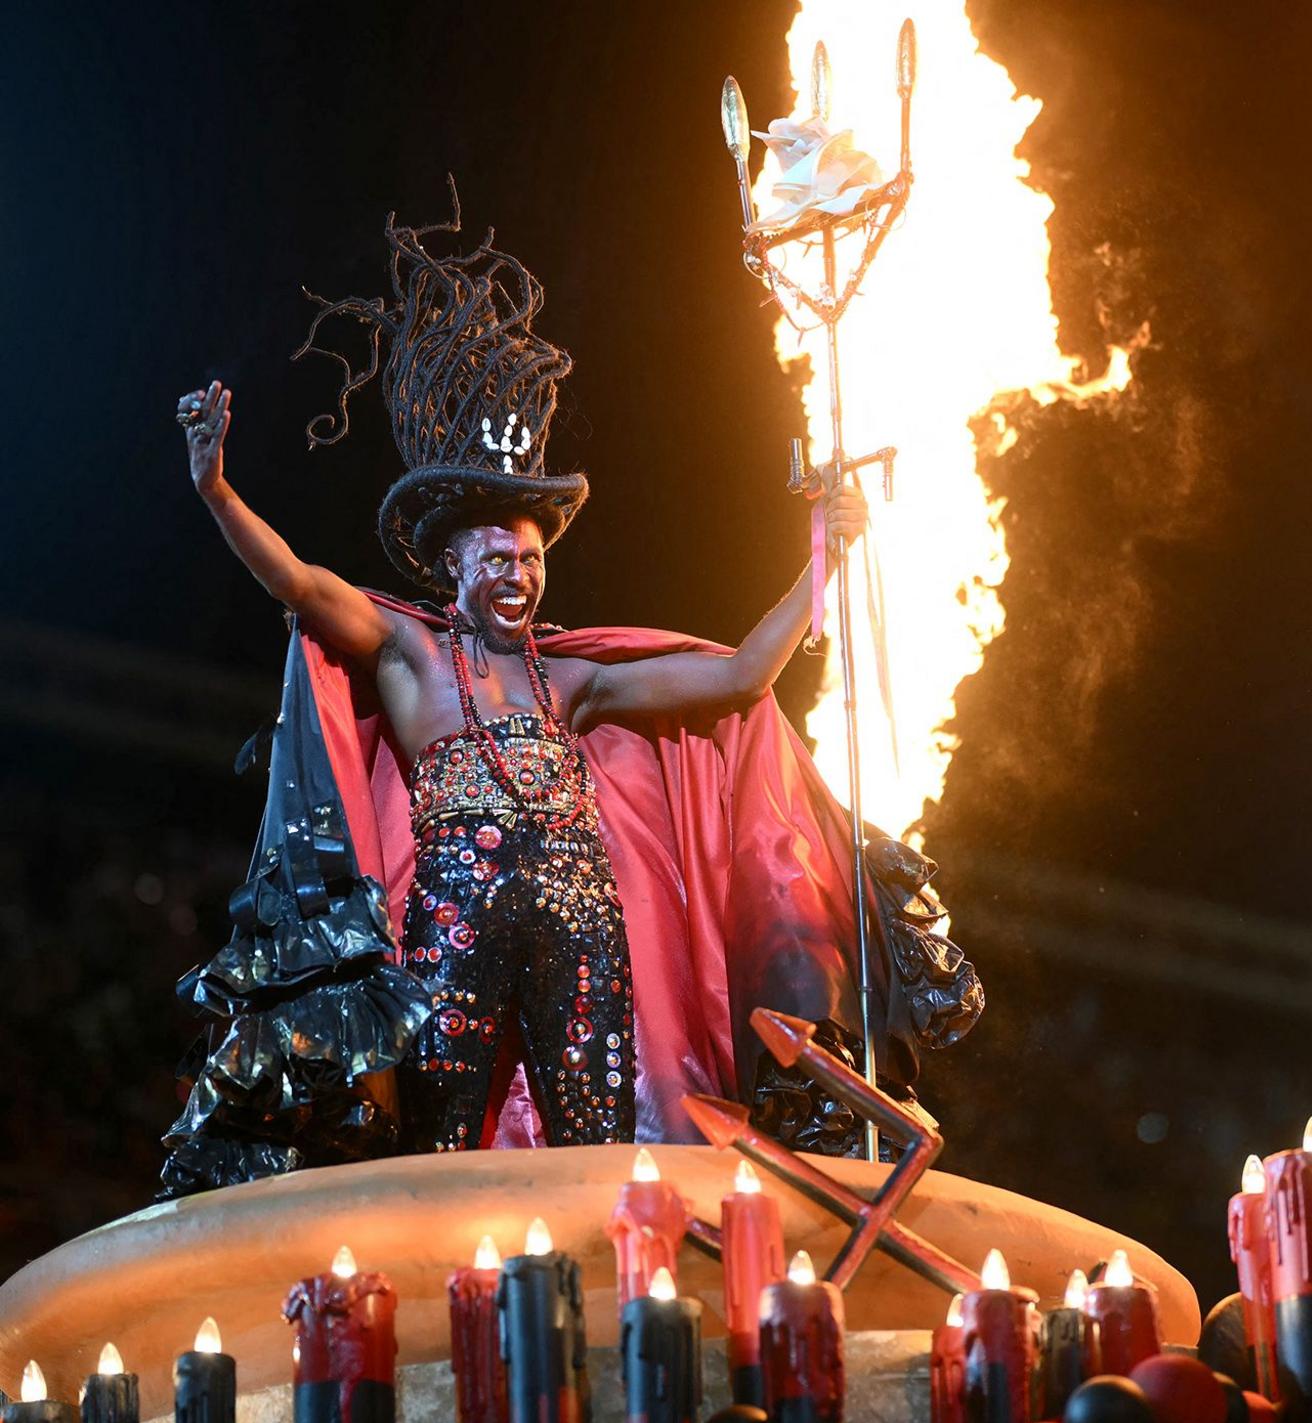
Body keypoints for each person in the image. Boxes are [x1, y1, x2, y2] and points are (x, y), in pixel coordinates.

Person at [160, 196, 980, 1190]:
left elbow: (736, 675)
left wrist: (826, 556)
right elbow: (297, 581)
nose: (518, 573)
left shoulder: (574, 680)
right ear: (453, 566)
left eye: (532, 558)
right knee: (442, 1144)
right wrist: (215, 489)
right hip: (455, 919)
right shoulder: (412, 655)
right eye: (498, 556)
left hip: (581, 918)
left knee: (595, 1136)